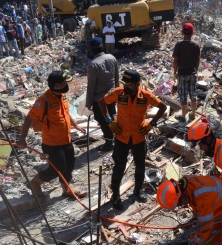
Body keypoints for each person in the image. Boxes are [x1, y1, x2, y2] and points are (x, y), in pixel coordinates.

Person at [98, 70, 167, 209]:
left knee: (140, 164)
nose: (125, 87)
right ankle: (116, 195)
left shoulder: (146, 96)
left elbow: (163, 107)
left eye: (129, 85)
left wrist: (151, 124)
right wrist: (109, 120)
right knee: (119, 165)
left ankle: (137, 190)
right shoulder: (119, 93)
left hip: (139, 136)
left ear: (137, 84)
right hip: (121, 136)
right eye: (124, 84)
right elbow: (101, 102)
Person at [16, 71, 88, 198]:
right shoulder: (43, 101)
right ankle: (35, 183)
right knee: (57, 169)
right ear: (57, 85)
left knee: (69, 166)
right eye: (65, 82)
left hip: (66, 140)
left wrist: (75, 125)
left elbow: (65, 114)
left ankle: (66, 190)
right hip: (52, 144)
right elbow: (28, 119)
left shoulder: (62, 95)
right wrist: (22, 139)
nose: (67, 84)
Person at [86, 37, 119, 151]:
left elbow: (91, 85)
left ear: (92, 49)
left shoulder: (93, 64)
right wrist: (117, 94)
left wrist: (89, 102)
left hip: (99, 99)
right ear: (102, 46)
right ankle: (116, 138)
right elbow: (116, 78)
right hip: (111, 95)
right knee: (112, 117)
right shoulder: (112, 58)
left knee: (103, 120)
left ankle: (109, 142)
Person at [172, 22, 200, 122]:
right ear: (193, 33)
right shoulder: (196, 45)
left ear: (182, 32)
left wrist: (175, 71)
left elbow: (175, 61)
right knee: (193, 94)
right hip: (192, 73)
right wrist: (196, 69)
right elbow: (197, 60)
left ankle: (183, 116)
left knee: (183, 95)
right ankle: (193, 114)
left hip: (182, 74)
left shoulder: (178, 45)